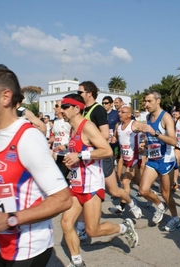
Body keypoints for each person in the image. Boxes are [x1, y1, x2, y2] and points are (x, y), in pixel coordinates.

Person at [0, 63, 72, 266]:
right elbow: (2, 187)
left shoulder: (27, 138)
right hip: (5, 246)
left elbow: (62, 200)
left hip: (29, 249)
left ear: (5, 97)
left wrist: (10, 219)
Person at [60, 94, 138, 267]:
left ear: (76, 108)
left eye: (65, 107)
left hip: (92, 185)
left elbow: (106, 151)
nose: (61, 110)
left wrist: (79, 155)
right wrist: (66, 153)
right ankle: (77, 262)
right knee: (66, 223)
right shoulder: (72, 129)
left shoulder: (87, 127)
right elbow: (79, 152)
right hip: (76, 185)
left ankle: (124, 228)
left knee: (92, 230)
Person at [75, 81, 142, 240]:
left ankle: (132, 204)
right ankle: (81, 227)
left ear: (89, 93)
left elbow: (104, 135)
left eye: (80, 93)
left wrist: (87, 142)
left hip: (101, 157)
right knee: (84, 192)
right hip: (88, 159)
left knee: (113, 190)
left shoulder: (97, 110)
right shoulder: (84, 110)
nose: (79, 96)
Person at [138, 89, 180, 231]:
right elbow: (150, 137)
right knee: (143, 190)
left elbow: (173, 141)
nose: (146, 104)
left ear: (158, 101)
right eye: (145, 101)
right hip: (152, 158)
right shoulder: (148, 117)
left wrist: (155, 133)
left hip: (166, 160)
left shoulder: (166, 117)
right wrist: (144, 143)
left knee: (166, 194)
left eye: (149, 101)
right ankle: (160, 206)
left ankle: (175, 218)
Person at [110, 106, 143, 214]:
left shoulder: (135, 124)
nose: (119, 113)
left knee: (125, 182)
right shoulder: (118, 125)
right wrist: (113, 139)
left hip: (134, 158)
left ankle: (122, 207)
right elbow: (115, 136)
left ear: (129, 114)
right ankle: (153, 197)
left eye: (122, 112)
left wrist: (144, 142)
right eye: (119, 111)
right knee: (140, 183)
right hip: (125, 158)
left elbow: (149, 131)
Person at [50, 100, 72, 181]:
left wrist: (65, 146)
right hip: (57, 154)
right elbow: (55, 138)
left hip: (67, 154)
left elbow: (74, 138)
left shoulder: (68, 122)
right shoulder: (55, 121)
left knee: (64, 179)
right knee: (58, 178)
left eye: (56, 106)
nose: (54, 108)